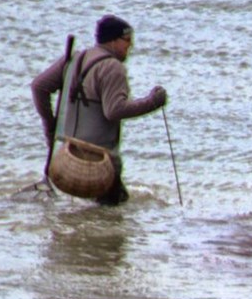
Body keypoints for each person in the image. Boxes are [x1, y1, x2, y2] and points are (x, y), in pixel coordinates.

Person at [31, 15, 166, 205]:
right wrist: (153, 102)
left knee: (99, 212)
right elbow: (115, 110)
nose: (131, 46)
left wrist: (50, 127)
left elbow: (39, 87)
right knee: (113, 213)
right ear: (112, 40)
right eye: (127, 40)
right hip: (100, 162)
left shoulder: (74, 59)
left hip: (67, 154)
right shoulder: (112, 67)